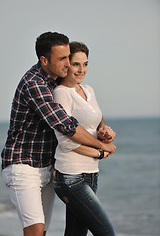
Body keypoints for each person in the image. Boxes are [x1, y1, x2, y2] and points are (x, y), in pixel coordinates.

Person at [1, 32, 116, 236]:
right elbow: (66, 125)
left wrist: (103, 131)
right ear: (44, 60)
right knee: (35, 231)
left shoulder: (57, 81)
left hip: (49, 166)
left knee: (45, 230)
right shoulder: (34, 84)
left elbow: (88, 111)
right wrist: (101, 147)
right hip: (23, 165)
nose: (68, 64)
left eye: (68, 57)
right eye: (62, 59)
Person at [53, 42, 116, 236]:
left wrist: (107, 132)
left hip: (91, 174)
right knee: (106, 232)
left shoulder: (88, 89)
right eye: (76, 64)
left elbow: (99, 122)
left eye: (85, 64)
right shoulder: (61, 93)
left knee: (75, 233)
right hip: (71, 177)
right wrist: (100, 152)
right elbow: (66, 141)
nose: (82, 70)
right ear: (66, 65)